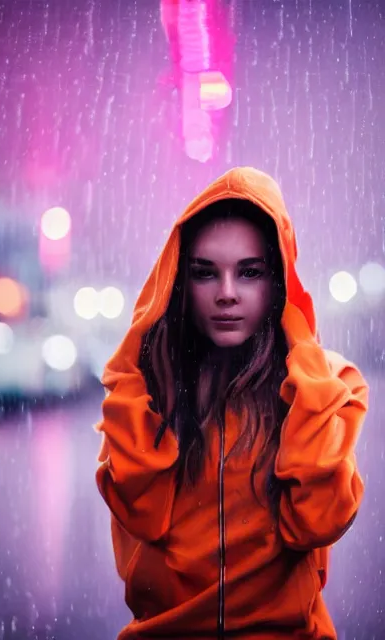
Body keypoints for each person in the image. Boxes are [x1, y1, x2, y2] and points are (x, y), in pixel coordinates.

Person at [95, 166, 368, 639]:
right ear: (179, 283)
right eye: (205, 273)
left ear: (278, 281)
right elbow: (143, 511)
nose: (226, 294)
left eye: (250, 272)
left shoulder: (332, 385)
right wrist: (133, 366)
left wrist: (303, 354)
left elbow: (318, 521)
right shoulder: (148, 393)